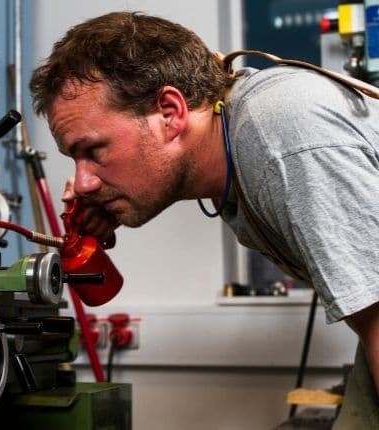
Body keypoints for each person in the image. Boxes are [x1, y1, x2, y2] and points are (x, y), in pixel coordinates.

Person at [29, 11, 379, 428]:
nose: (82, 183)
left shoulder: (281, 137)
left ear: (170, 112)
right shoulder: (229, 139)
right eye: (75, 160)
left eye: (93, 151)